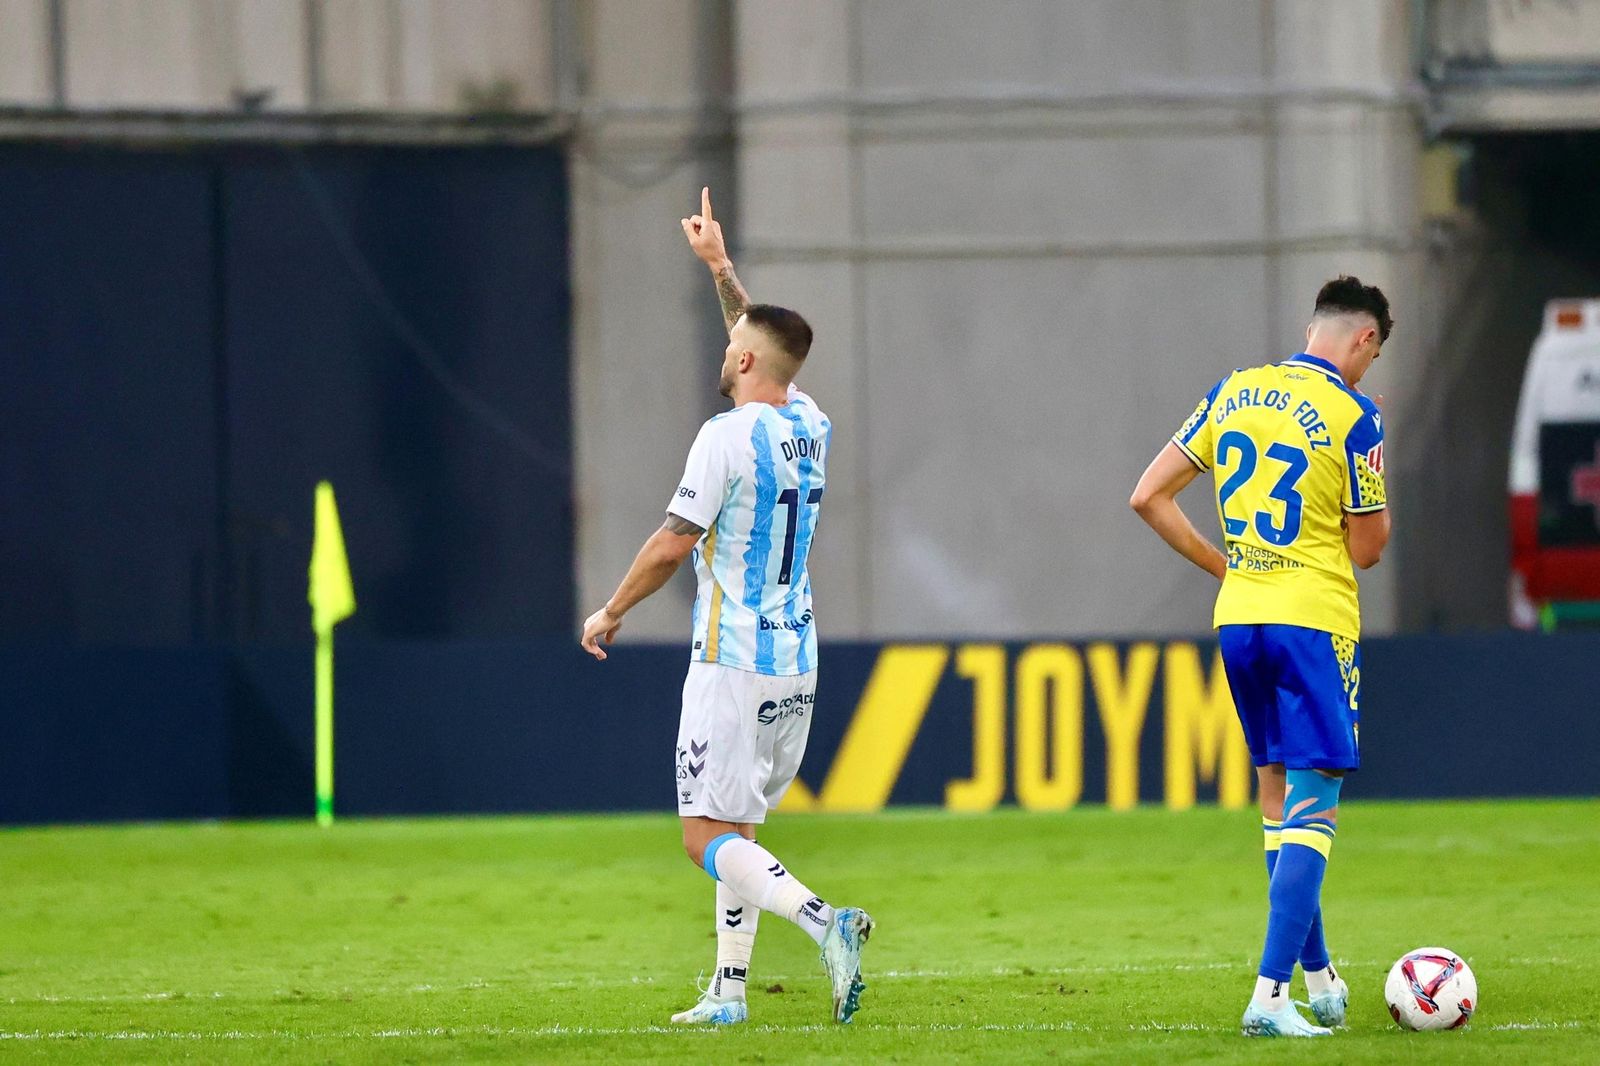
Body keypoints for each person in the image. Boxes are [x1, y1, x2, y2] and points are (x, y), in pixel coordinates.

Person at [579, 187, 874, 1026]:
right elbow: (762, 339)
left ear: (745, 363)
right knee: (738, 829)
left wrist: (611, 610)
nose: (726, 350)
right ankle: (729, 993)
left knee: (703, 837)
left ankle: (828, 924)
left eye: (732, 347)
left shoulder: (723, 438)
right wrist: (720, 268)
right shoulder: (809, 423)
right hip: (796, 661)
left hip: (731, 659)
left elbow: (674, 540)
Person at [1129, 276, 1392, 1038]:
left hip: (1238, 617)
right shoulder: (1355, 414)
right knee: (1317, 802)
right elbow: (1369, 550)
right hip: (1312, 621)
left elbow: (1148, 496)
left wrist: (1229, 567)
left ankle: (1318, 976)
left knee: (1280, 801)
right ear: (1364, 340)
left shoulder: (1232, 392)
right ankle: (1270, 996)